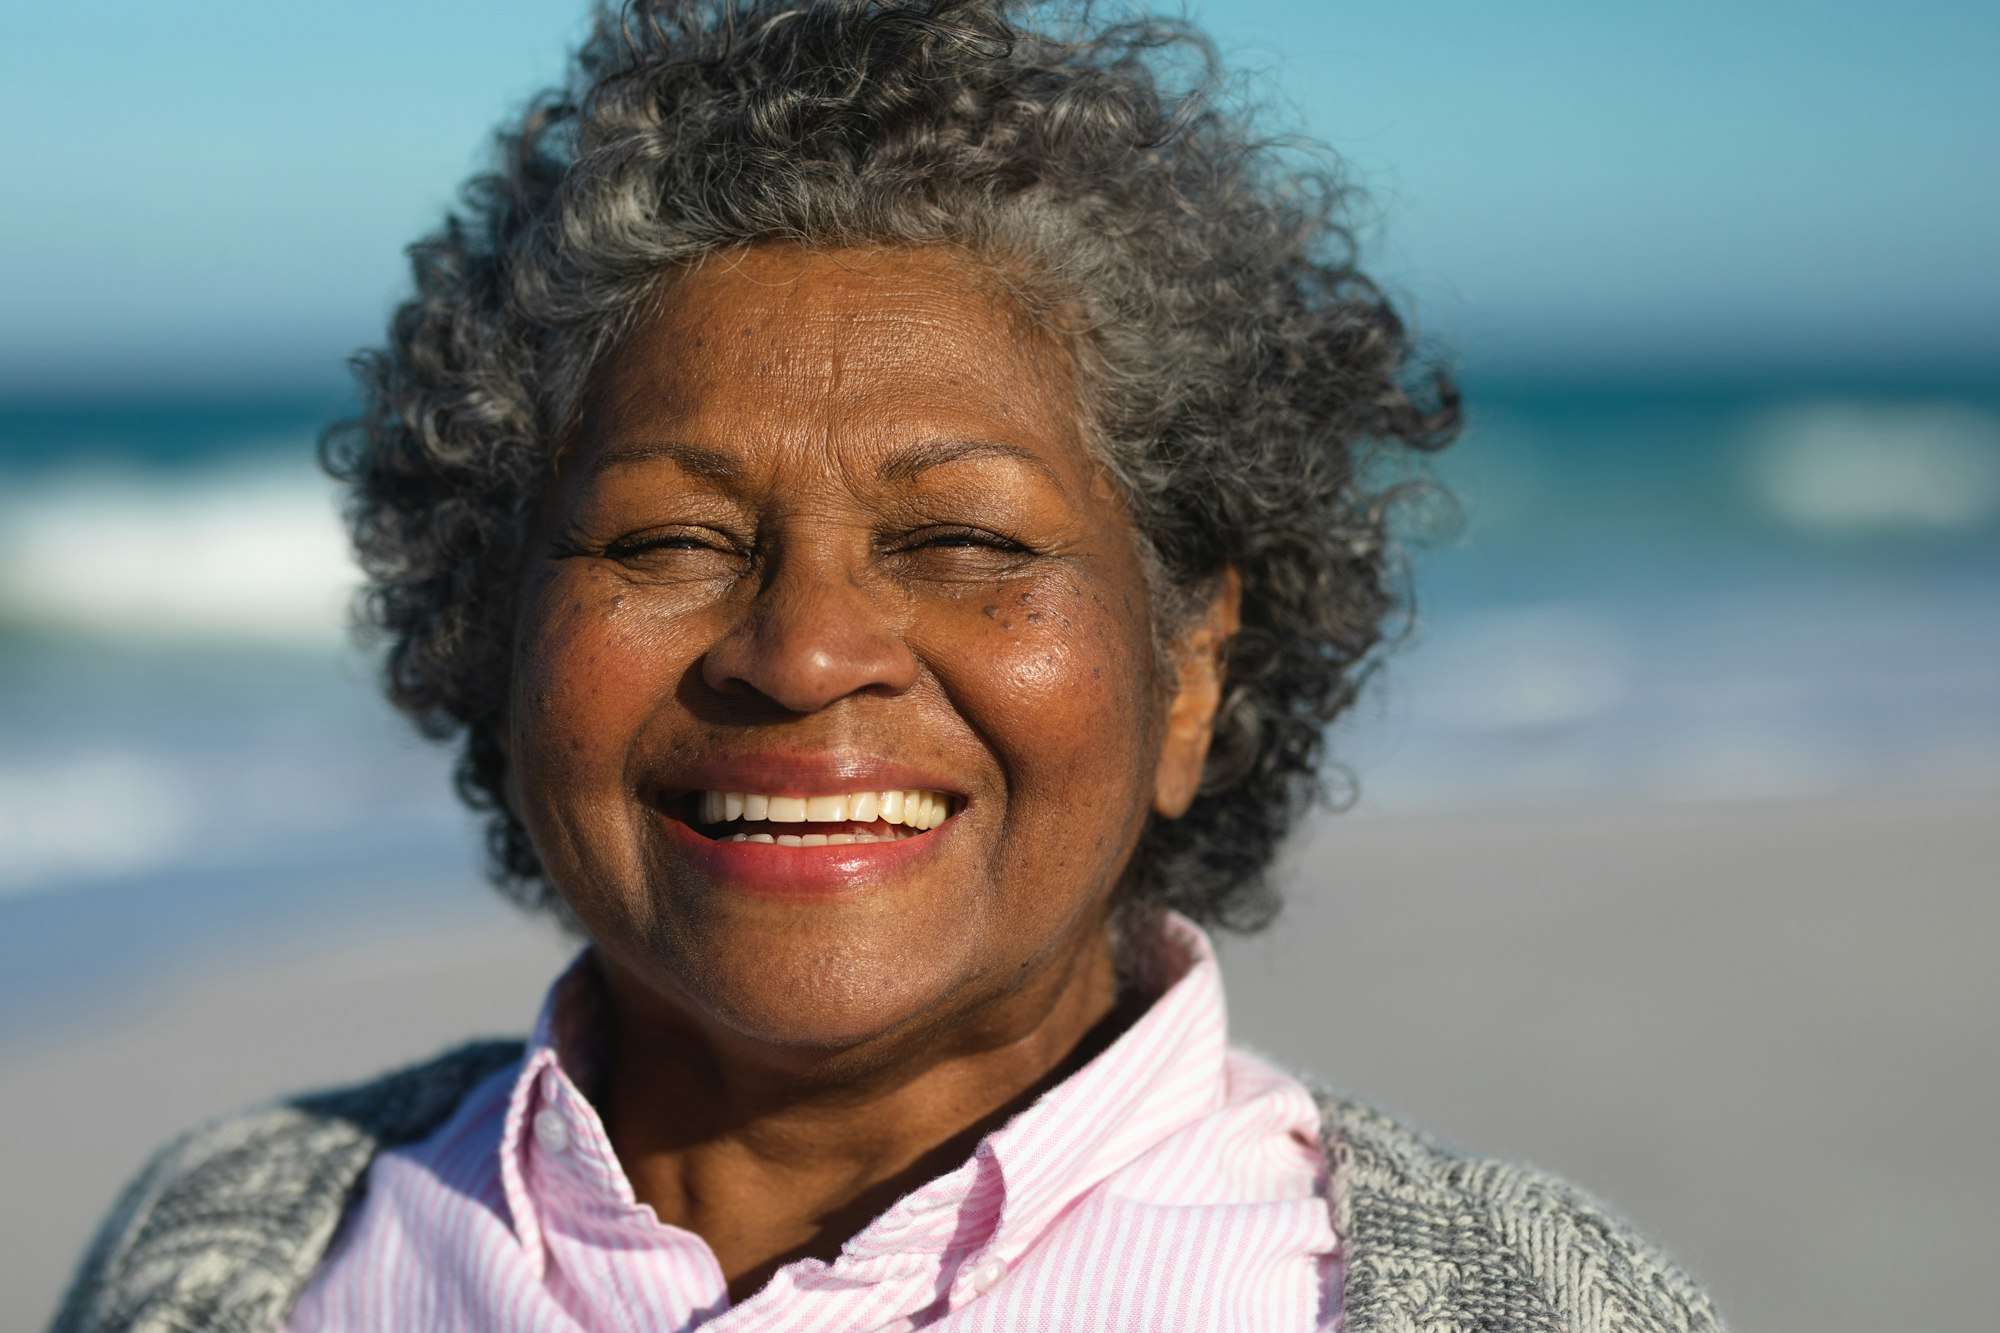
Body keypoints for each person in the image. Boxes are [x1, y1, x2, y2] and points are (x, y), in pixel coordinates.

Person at [54, 2, 1722, 1329]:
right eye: (666, 540)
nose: (805, 651)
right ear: (495, 632)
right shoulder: (242, 1257)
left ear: (1192, 669)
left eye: (969, 543)